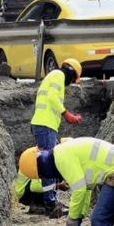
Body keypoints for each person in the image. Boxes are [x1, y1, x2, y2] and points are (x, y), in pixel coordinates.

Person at [29, 58, 84, 209]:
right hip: (45, 125)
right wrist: (66, 114)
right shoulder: (58, 75)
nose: (71, 83)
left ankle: (46, 199)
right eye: (72, 80)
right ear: (71, 72)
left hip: (45, 125)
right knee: (49, 164)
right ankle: (50, 201)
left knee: (46, 163)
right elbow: (52, 97)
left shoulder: (53, 76)